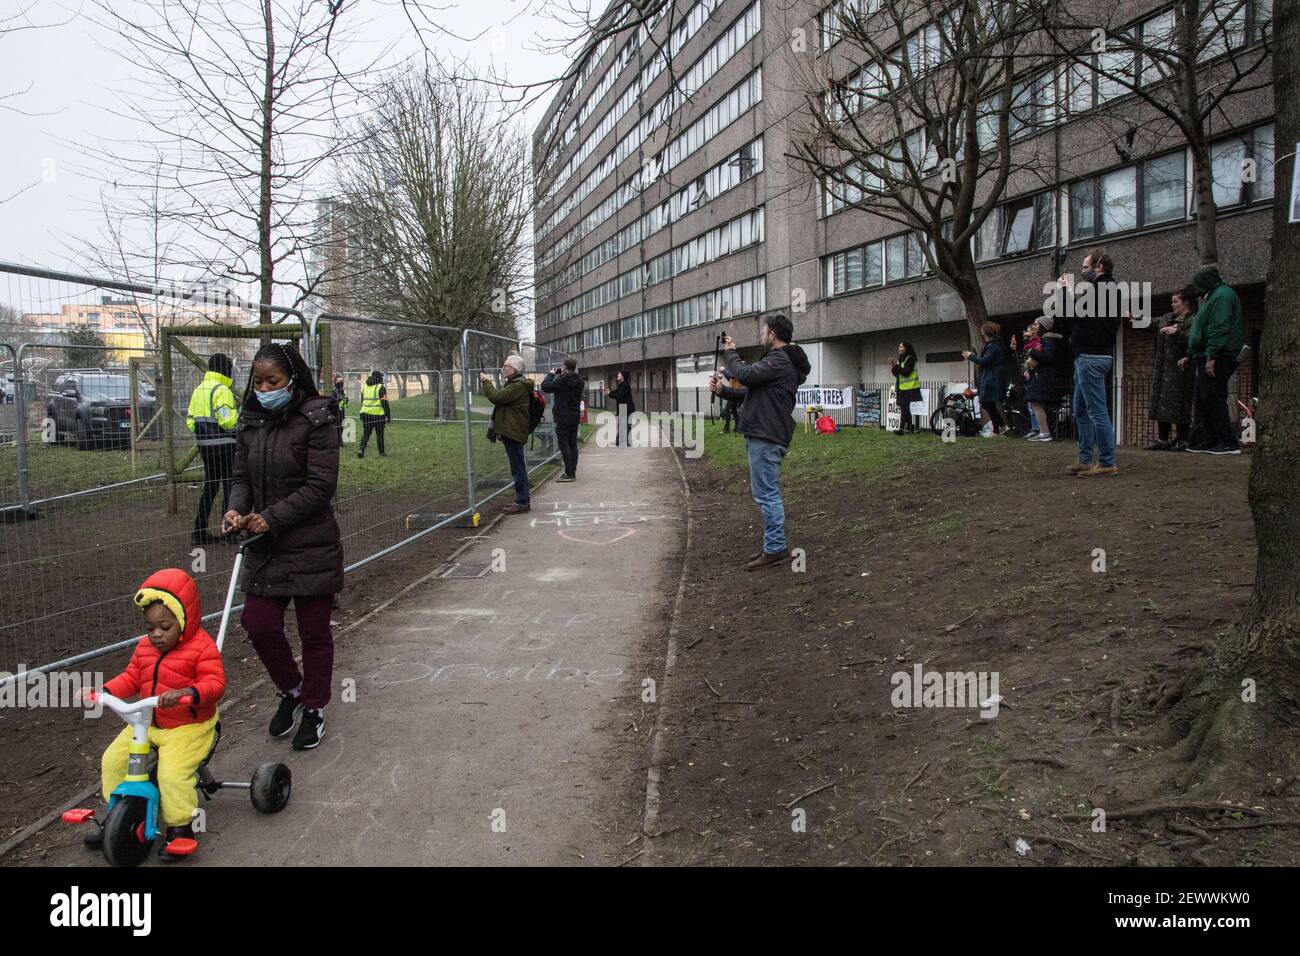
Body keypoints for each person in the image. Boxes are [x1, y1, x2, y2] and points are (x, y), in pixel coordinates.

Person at [222, 342, 342, 751]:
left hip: (311, 544)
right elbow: (240, 477)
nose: (264, 388)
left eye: (273, 381)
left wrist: (272, 517)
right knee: (258, 624)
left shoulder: (317, 418)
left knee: (314, 632)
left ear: (292, 380)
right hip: (265, 547)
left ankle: (314, 706)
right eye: (258, 382)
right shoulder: (251, 420)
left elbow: (321, 486)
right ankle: (291, 689)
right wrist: (236, 510)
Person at [86, 568, 225, 858]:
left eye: (165, 626)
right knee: (113, 760)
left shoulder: (202, 647)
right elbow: (131, 678)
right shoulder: (143, 649)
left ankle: (180, 827)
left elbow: (214, 684)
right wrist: (106, 691)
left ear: (184, 620)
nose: (157, 635)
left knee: (172, 774)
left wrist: (187, 694)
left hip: (189, 725)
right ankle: (115, 816)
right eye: (150, 628)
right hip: (147, 722)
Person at [710, 312, 811, 571]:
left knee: (767, 494)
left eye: (764, 331)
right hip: (764, 432)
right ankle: (772, 544)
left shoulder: (780, 359)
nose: (762, 335)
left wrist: (731, 353)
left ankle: (776, 548)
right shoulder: (781, 361)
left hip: (766, 434)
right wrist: (723, 391)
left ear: (773, 334)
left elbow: (745, 375)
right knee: (765, 492)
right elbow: (750, 391)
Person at [1062, 249, 1121, 477]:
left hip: (1091, 358)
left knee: (1096, 411)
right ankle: (1085, 459)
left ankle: (1106, 462)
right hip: (1089, 357)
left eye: (1086, 267)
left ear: (1099, 266)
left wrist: (1065, 291)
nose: (1082, 272)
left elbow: (1070, 314)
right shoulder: (1105, 290)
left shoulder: (1101, 289)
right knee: (1080, 409)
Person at [1180, 266, 1244, 455]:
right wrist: (1190, 354)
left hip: (1219, 355)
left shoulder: (1222, 297)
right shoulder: (1212, 296)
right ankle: (1210, 439)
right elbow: (1202, 329)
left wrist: (1212, 356)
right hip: (1206, 354)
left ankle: (1228, 442)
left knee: (1214, 397)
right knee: (1204, 398)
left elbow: (1219, 327)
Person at [187, 353, 239, 545]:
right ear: (225, 370)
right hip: (225, 446)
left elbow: (190, 420)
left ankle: (198, 531)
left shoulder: (199, 390)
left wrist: (204, 433)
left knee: (210, 487)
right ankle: (229, 532)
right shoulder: (222, 390)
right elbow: (228, 421)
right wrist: (240, 424)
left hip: (205, 447)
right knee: (229, 487)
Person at [480, 354, 533, 514]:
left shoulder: (517, 386)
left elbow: (496, 398)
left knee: (517, 468)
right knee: (518, 467)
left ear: (514, 369)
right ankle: (522, 500)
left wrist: (486, 382)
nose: (504, 368)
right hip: (512, 430)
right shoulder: (515, 384)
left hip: (513, 432)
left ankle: (522, 502)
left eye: (506, 366)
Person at [1147, 286, 1198, 450]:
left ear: (1186, 302)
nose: (1173, 305)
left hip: (1181, 369)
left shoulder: (1193, 321)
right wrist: (1135, 317)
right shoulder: (1166, 318)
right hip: (1163, 369)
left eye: (1176, 302)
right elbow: (1151, 322)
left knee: (1179, 403)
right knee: (1162, 401)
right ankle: (1163, 439)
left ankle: (1182, 439)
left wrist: (1178, 333)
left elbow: (1194, 340)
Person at [1022, 316, 1066, 442]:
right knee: (1036, 404)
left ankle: (1044, 432)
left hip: (1042, 376)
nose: (1033, 326)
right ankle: (1043, 431)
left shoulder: (1047, 340)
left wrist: (1032, 352)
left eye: (1036, 324)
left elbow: (1047, 357)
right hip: (1040, 375)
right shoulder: (1043, 340)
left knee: (1036, 403)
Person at [962, 322, 1009, 436]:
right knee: (989, 404)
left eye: (982, 331)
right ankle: (997, 429)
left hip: (992, 378)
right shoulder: (995, 345)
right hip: (993, 377)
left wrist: (971, 356)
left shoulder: (992, 346)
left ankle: (1000, 427)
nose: (981, 333)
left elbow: (985, 361)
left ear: (985, 332)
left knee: (987, 403)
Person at [542, 357, 584, 482]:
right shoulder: (580, 382)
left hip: (562, 417)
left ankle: (569, 473)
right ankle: (572, 471)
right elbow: (570, 383)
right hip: (574, 416)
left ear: (565, 367)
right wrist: (562, 375)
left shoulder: (561, 381)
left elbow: (545, 386)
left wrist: (551, 374)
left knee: (563, 444)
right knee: (572, 444)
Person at [889, 341, 922, 434]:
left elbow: (906, 372)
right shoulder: (901, 359)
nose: (899, 348)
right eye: (899, 346)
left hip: (910, 387)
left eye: (901, 346)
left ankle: (901, 429)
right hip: (902, 387)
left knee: (904, 408)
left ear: (906, 348)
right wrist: (893, 365)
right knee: (905, 408)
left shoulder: (911, 359)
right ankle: (910, 428)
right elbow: (897, 374)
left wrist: (897, 365)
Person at [356, 370, 389, 459]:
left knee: (366, 433)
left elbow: (362, 400)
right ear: (379, 377)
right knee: (379, 434)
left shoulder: (364, 387)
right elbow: (384, 402)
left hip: (365, 414)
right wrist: (388, 415)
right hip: (378, 415)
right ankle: (381, 452)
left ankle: (361, 450)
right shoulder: (380, 387)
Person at [608, 369, 635, 446]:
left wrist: (610, 394)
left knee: (626, 425)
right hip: (623, 408)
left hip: (627, 408)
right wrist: (609, 392)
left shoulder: (625, 386)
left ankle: (627, 442)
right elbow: (616, 392)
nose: (618, 375)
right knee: (622, 425)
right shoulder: (622, 385)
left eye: (619, 374)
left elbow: (620, 396)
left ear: (623, 376)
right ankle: (619, 441)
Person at [331, 372, 349, 447]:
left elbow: (343, 403)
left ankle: (340, 441)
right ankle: (336, 442)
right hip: (336, 412)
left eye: (342, 382)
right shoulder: (333, 391)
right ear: (335, 382)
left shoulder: (342, 391)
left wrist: (345, 400)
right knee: (337, 427)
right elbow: (334, 402)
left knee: (341, 426)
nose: (341, 384)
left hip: (342, 411)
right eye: (339, 382)